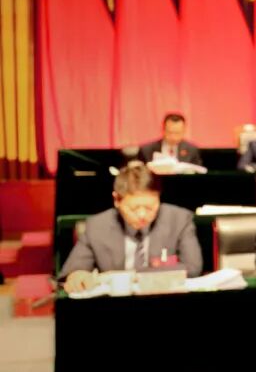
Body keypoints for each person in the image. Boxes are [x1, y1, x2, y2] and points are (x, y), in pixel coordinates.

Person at [59, 164, 202, 292]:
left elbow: (193, 267)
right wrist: (77, 277)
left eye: (150, 207)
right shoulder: (97, 225)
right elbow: (74, 270)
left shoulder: (180, 219)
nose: (142, 215)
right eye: (134, 208)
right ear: (117, 200)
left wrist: (131, 276)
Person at [138, 113, 202, 165]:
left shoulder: (192, 150)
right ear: (163, 130)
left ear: (184, 131)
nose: (173, 137)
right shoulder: (146, 150)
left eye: (177, 133)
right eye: (170, 132)